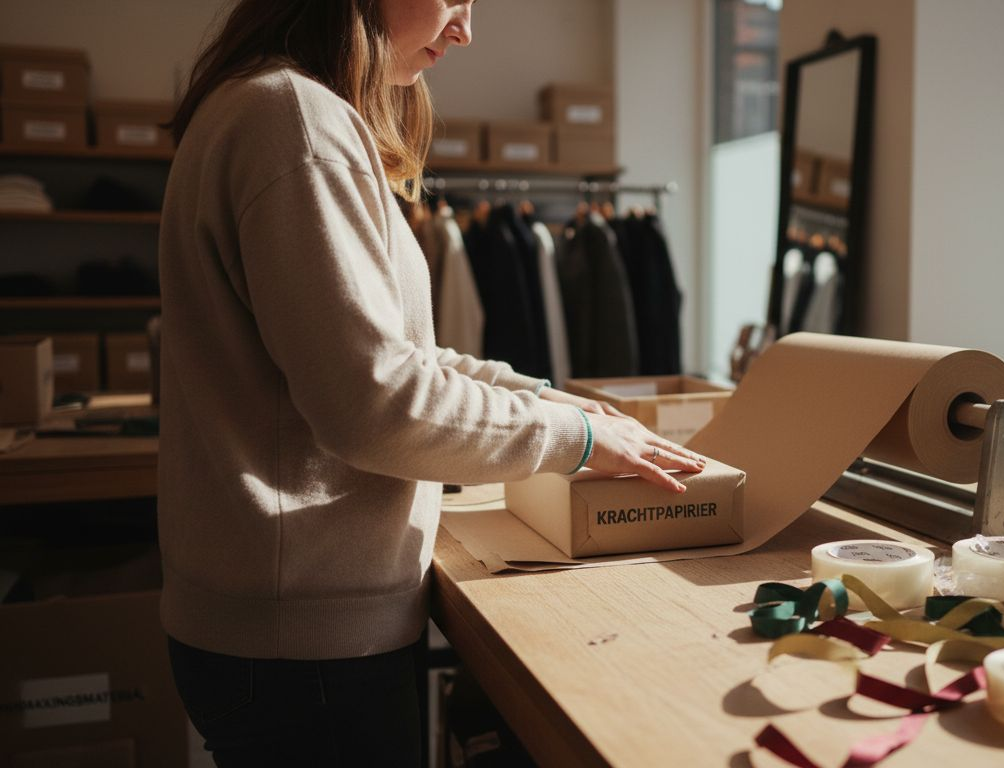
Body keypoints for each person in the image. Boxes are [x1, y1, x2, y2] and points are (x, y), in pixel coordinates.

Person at [157, 1, 705, 765]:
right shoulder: (295, 119)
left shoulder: (275, 106)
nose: (465, 30)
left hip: (289, 629)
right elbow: (376, 406)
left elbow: (406, 356)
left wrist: (558, 404)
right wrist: (575, 441)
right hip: (306, 646)